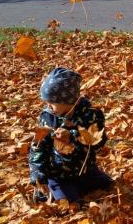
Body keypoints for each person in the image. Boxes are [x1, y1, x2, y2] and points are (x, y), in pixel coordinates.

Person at [29, 67, 112, 204]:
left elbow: (98, 144)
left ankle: (77, 187)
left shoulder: (90, 114)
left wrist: (73, 137)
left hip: (86, 170)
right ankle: (50, 189)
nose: (48, 107)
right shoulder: (48, 117)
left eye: (52, 103)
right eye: (46, 103)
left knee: (108, 185)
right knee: (70, 203)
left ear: (68, 101)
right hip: (59, 175)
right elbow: (38, 148)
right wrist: (37, 174)